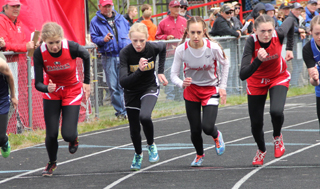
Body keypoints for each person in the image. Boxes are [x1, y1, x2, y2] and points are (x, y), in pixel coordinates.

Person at [33, 22, 90, 176]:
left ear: (62, 39)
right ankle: (52, 162)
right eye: (51, 43)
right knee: (51, 134)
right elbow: (37, 83)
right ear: (45, 41)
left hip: (72, 90)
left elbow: (86, 55)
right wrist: (47, 88)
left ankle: (74, 137)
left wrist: (87, 82)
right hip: (52, 91)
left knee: (68, 135)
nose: (55, 46)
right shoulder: (39, 53)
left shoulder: (70, 47)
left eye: (57, 42)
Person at [171, 16, 229, 166]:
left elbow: (226, 64)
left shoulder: (213, 48)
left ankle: (217, 135)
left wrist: (222, 86)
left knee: (207, 127)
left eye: (198, 32)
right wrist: (181, 83)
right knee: (195, 130)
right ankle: (199, 154)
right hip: (191, 90)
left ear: (204, 32)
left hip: (210, 89)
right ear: (187, 32)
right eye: (192, 32)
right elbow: (173, 75)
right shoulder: (181, 50)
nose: (195, 36)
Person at [239, 14, 295, 166]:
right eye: (262, 31)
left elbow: (291, 19)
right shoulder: (251, 42)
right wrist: (258, 60)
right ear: (255, 31)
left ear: (274, 29)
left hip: (278, 76)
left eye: (269, 30)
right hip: (256, 81)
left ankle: (277, 136)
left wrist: (289, 48)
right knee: (256, 123)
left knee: (276, 111)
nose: (266, 34)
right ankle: (261, 149)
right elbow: (243, 74)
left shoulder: (279, 33)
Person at [119, 23, 168, 170]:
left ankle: (151, 144)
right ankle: (138, 154)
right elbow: (123, 82)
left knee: (145, 117)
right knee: (134, 129)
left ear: (147, 38)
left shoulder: (153, 47)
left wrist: (160, 71)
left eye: (142, 40)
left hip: (149, 87)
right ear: (130, 39)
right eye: (135, 41)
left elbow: (164, 47)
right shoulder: (125, 53)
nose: (138, 44)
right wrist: (139, 70)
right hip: (131, 91)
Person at [90, 0, 130, 119]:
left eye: (109, 6)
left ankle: (129, 110)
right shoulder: (95, 21)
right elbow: (94, 38)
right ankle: (121, 112)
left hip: (123, 55)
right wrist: (104, 39)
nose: (108, 8)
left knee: (125, 84)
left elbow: (129, 31)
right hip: (109, 56)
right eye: (105, 6)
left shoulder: (120, 18)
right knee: (113, 86)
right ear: (99, 7)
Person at [155, 0, 187, 101]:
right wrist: (166, 37)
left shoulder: (184, 21)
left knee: (182, 75)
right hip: (169, 54)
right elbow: (157, 36)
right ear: (170, 8)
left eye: (178, 7)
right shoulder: (163, 22)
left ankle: (181, 97)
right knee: (169, 75)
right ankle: (170, 97)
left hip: (182, 54)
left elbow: (189, 34)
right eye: (175, 7)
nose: (177, 9)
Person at [302, 15, 320, 127]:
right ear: (311, 33)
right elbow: (313, 82)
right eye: (316, 34)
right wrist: (315, 78)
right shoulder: (308, 49)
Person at [0, 53, 17, 158]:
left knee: (0, 138)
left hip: (1, 99)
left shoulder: (1, 64)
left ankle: (4, 140)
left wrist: (13, 96)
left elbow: (10, 76)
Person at [288, 2, 307, 87]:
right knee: (295, 66)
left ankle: (295, 84)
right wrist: (300, 30)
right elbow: (291, 27)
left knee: (298, 65)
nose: (298, 11)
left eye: (299, 10)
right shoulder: (290, 18)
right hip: (292, 46)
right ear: (292, 10)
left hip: (297, 46)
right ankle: (293, 84)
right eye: (296, 9)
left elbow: (303, 27)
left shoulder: (298, 18)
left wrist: (302, 30)